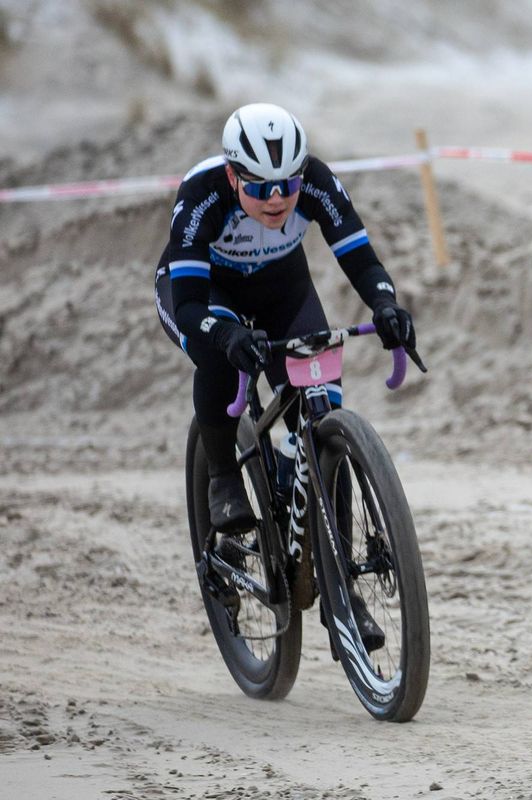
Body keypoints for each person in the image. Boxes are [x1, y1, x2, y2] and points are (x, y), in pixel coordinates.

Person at [154, 103, 416, 650]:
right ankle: (224, 476)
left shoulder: (315, 182)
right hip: (206, 295)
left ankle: (343, 595)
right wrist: (226, 336)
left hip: (282, 288)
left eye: (287, 185)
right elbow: (187, 306)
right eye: (261, 188)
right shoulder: (203, 195)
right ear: (233, 175)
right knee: (219, 355)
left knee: (322, 409)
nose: (277, 198)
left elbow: (362, 260)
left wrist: (387, 305)